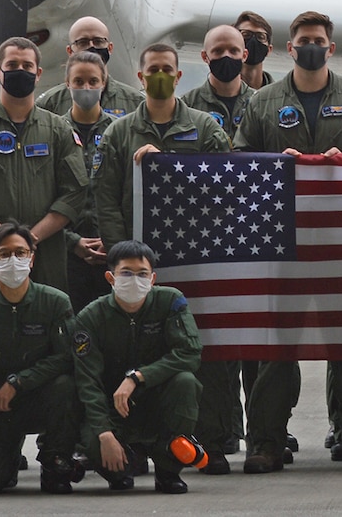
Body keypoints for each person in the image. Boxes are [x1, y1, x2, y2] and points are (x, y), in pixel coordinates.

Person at [233, 11, 342, 474]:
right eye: (303, 39)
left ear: (330, 48)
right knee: (276, 348)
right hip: (282, 245)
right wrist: (273, 161)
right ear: (291, 47)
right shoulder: (264, 101)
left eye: (319, 40)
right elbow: (240, 158)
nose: (311, 46)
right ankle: (264, 442)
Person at [95, 44, 235, 469]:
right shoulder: (119, 133)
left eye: (167, 70)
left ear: (179, 76)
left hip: (195, 260)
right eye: (151, 69)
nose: (159, 75)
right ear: (140, 77)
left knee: (202, 355)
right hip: (138, 270)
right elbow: (105, 201)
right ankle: (137, 441)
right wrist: (122, 260)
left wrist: (168, 163)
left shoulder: (205, 127)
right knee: (136, 354)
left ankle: (212, 438)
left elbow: (225, 186)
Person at [0, 37, 92, 294]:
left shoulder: (58, 129)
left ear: (38, 74)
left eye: (27, 66)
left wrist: (31, 239)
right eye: (12, 64)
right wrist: (3, 238)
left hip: (45, 253)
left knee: (46, 318)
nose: (20, 71)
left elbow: (75, 191)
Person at [0, 221, 78, 493]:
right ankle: (5, 460)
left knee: (65, 385)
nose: (13, 260)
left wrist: (18, 382)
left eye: (21, 253)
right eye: (4, 254)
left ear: (32, 259)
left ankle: (54, 460)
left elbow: (66, 357)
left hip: (39, 399)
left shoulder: (56, 302)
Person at [73, 240, 204, 493]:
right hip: (114, 409)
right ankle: (120, 468)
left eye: (142, 273)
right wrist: (104, 433)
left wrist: (138, 377)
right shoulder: (90, 317)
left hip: (157, 399)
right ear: (110, 277)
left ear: (153, 278)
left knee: (186, 381)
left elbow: (190, 354)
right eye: (126, 273)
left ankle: (168, 471)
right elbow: (87, 381)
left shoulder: (170, 301)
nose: (135, 280)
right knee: (100, 449)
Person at [61, 52, 116, 311]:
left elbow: (127, 192)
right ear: (67, 83)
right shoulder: (54, 131)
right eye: (79, 81)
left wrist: (112, 239)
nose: (86, 87)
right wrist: (73, 242)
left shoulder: (120, 131)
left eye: (93, 81)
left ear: (104, 83)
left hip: (113, 253)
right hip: (64, 253)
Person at [36, 17, 144, 117]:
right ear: (70, 51)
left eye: (98, 41)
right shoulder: (49, 104)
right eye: (83, 42)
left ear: (110, 48)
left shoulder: (136, 103)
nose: (92, 46)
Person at [183, 24, 256, 134]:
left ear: (244, 55)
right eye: (218, 51)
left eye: (234, 50)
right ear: (204, 56)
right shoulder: (187, 105)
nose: (226, 56)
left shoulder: (259, 103)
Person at [235, 11, 278, 91]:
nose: (253, 40)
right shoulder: (221, 92)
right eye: (246, 35)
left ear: (269, 49)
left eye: (260, 37)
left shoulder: (279, 96)